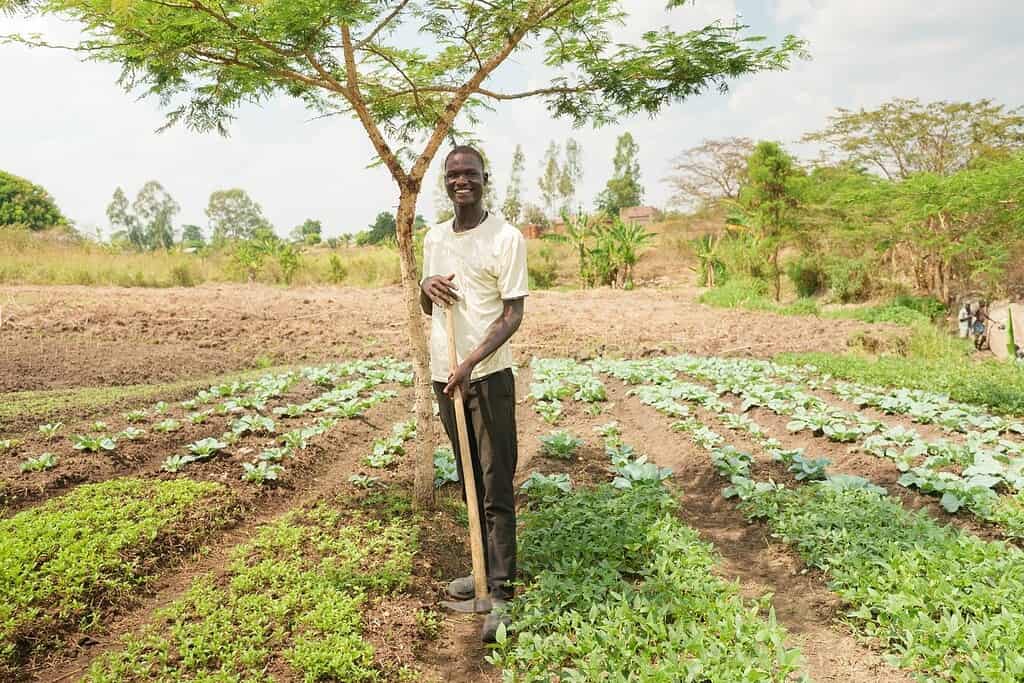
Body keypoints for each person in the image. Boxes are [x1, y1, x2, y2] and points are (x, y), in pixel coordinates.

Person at [419, 144, 528, 642]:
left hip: (485, 377)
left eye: (470, 173)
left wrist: (470, 363)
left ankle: (501, 590)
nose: (461, 180)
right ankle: (479, 573)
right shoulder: (435, 237)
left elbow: (513, 314)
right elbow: (427, 306)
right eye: (453, 174)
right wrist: (427, 285)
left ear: (486, 178)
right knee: (467, 479)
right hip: (447, 376)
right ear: (445, 182)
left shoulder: (506, 238)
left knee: (495, 479)